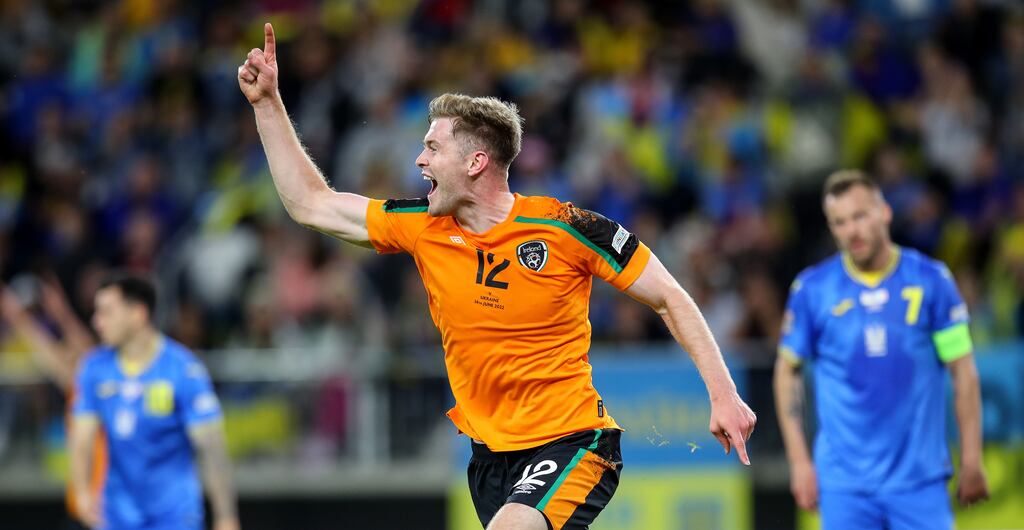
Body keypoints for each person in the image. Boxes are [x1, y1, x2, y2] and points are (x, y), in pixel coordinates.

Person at [238, 23, 756, 530]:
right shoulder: (422, 226)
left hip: (573, 441)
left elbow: (669, 295)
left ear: (477, 162)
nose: (418, 159)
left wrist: (723, 394)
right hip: (489, 459)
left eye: (433, 148)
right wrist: (267, 106)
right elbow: (312, 205)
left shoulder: (566, 227)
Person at [774, 170, 989, 529]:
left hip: (920, 481)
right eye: (839, 222)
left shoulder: (932, 282)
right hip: (845, 487)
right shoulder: (813, 290)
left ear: (884, 212)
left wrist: (971, 457)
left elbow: (963, 371)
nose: (851, 230)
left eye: (859, 216)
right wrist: (799, 463)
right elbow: (787, 370)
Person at [69, 273, 240, 530]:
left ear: (138, 314)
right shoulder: (94, 368)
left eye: (107, 312)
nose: (97, 322)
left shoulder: (183, 370)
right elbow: (81, 438)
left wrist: (225, 516)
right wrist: (81, 492)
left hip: (174, 516)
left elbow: (211, 447)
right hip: (116, 513)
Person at [0, 275, 107, 530]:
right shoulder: (85, 389)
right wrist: (58, 312)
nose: (67, 353)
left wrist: (22, 316)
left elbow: (59, 352)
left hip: (101, 508)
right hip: (88, 507)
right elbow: (61, 352)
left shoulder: (96, 386)